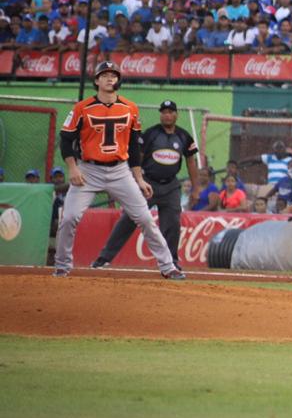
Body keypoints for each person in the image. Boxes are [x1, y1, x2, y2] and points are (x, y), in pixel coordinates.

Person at [52, 61, 184, 279]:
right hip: (89, 170)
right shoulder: (82, 108)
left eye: (113, 75)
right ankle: (62, 266)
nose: (110, 78)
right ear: (96, 81)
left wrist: (139, 178)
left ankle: (168, 266)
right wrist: (73, 168)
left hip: (120, 171)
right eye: (104, 75)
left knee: (144, 217)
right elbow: (66, 139)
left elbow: (133, 146)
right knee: (69, 217)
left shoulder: (130, 108)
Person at [91, 99, 200, 270]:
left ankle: (171, 262)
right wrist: (133, 181)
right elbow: (136, 157)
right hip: (147, 184)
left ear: (176, 114)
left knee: (172, 223)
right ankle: (104, 258)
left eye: (171, 112)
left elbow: (191, 162)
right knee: (129, 218)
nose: (167, 115)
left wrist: (196, 188)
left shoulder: (184, 136)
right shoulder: (151, 134)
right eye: (164, 112)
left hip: (171, 185)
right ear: (160, 115)